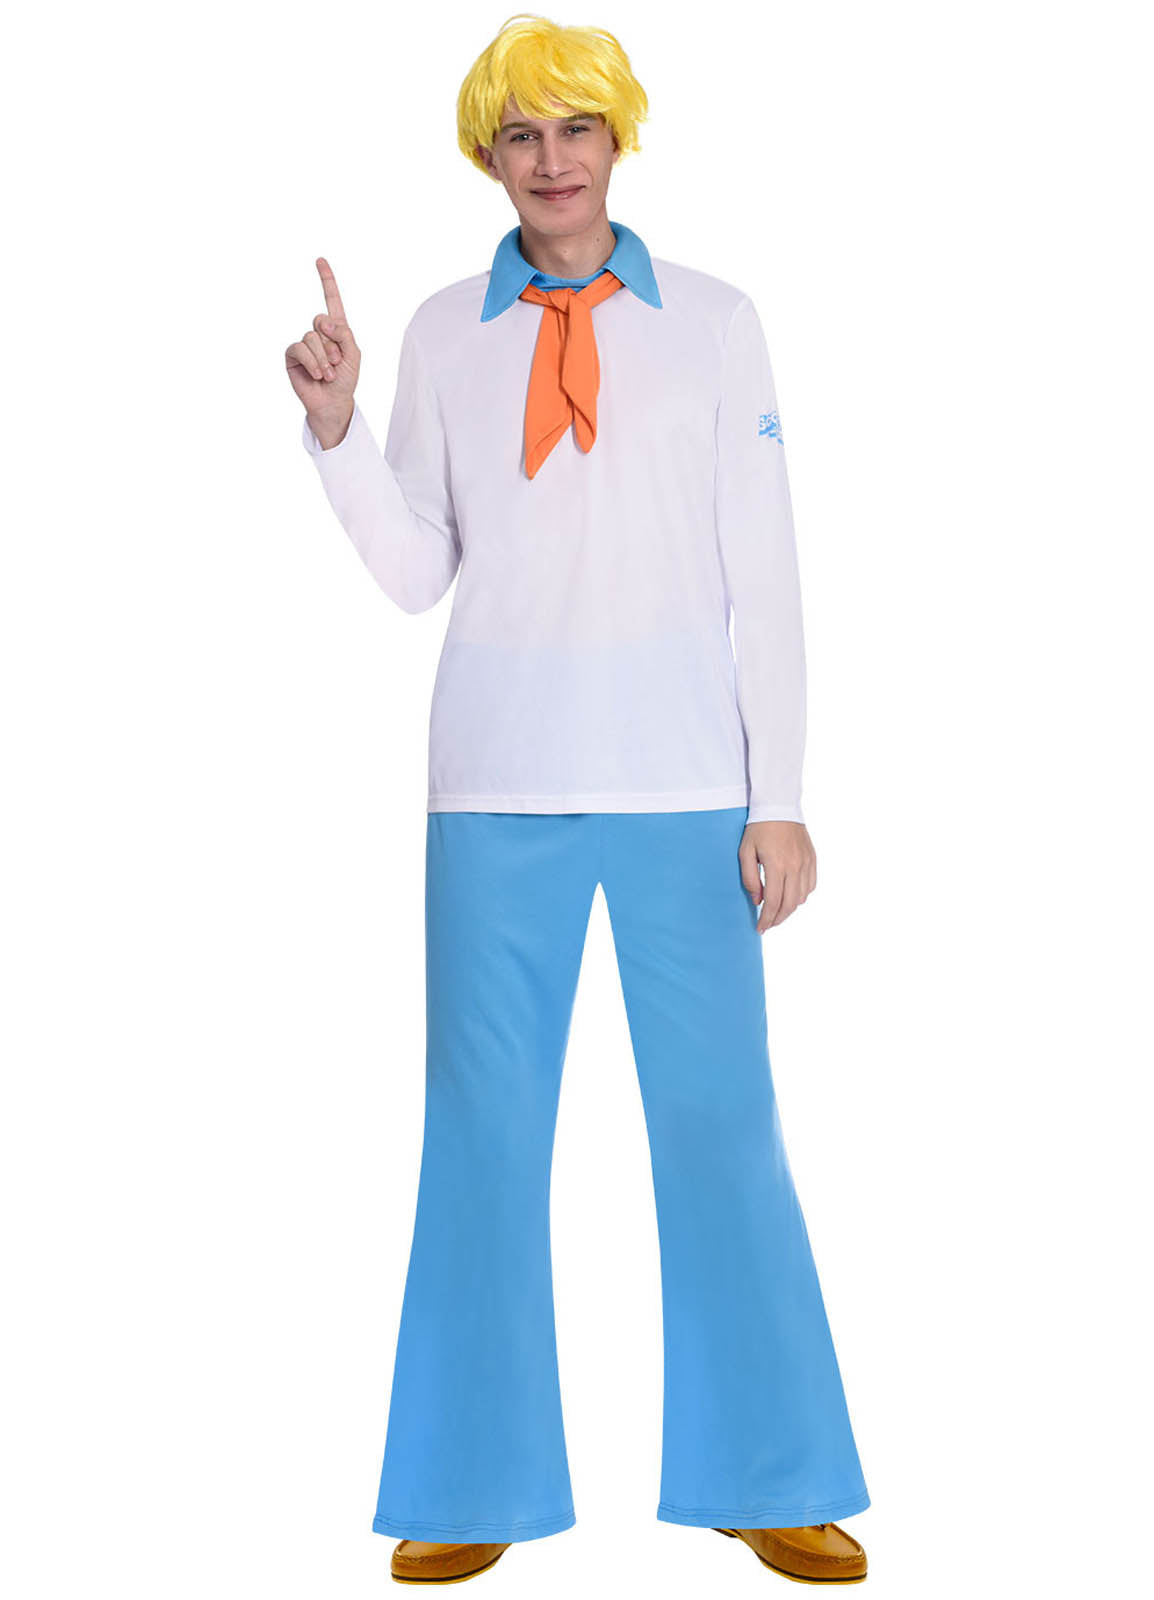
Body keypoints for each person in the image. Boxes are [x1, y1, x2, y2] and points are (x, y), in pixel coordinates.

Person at [285, 12, 870, 1588]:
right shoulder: (441, 332)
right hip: (493, 793)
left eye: (576, 129)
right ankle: (465, 1482)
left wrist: (779, 794)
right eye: (521, 135)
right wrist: (336, 436)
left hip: (687, 791)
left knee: (721, 1131)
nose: (551, 160)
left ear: (618, 140)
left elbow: (765, 569)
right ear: (487, 154)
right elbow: (418, 569)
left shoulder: (718, 325)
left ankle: (770, 1474)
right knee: (480, 1139)